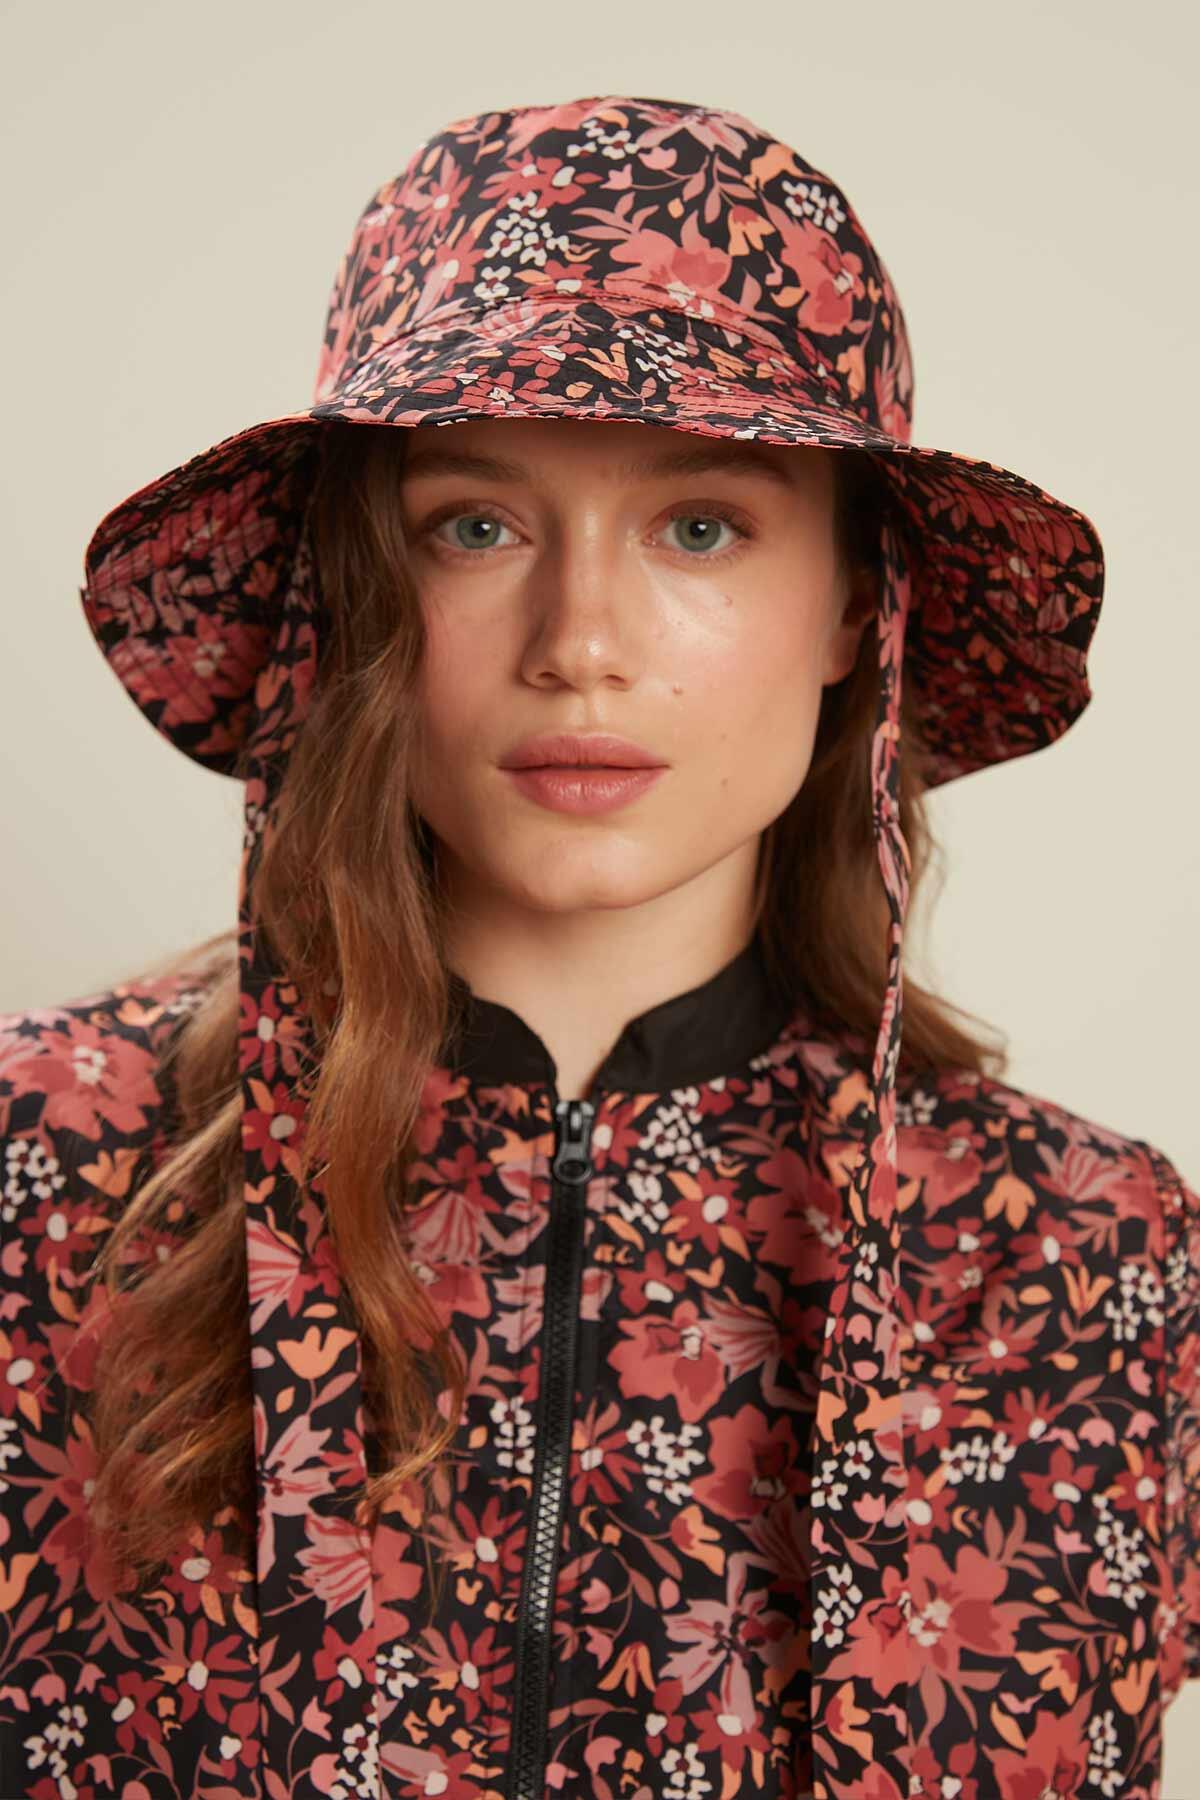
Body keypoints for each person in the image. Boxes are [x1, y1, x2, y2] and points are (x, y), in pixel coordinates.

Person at [0, 91, 1196, 1800]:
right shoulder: (41, 1166)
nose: (581, 641)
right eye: (474, 527)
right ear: (357, 589)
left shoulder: (1087, 1261)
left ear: (859, 604)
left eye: (700, 526)